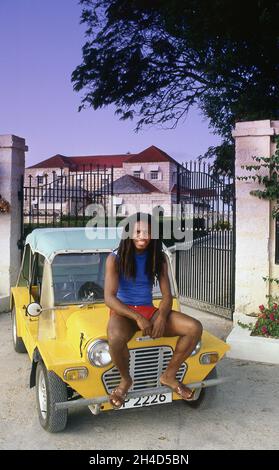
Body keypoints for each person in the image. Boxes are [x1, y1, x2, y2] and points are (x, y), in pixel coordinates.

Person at [104, 212, 203, 409]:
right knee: (114, 337)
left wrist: (161, 318)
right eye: (138, 231)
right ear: (129, 233)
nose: (143, 236)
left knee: (194, 327)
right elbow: (109, 298)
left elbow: (167, 296)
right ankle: (125, 381)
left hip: (148, 310)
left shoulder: (158, 258)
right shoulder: (114, 258)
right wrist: (137, 318)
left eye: (147, 232)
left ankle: (169, 376)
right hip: (123, 312)